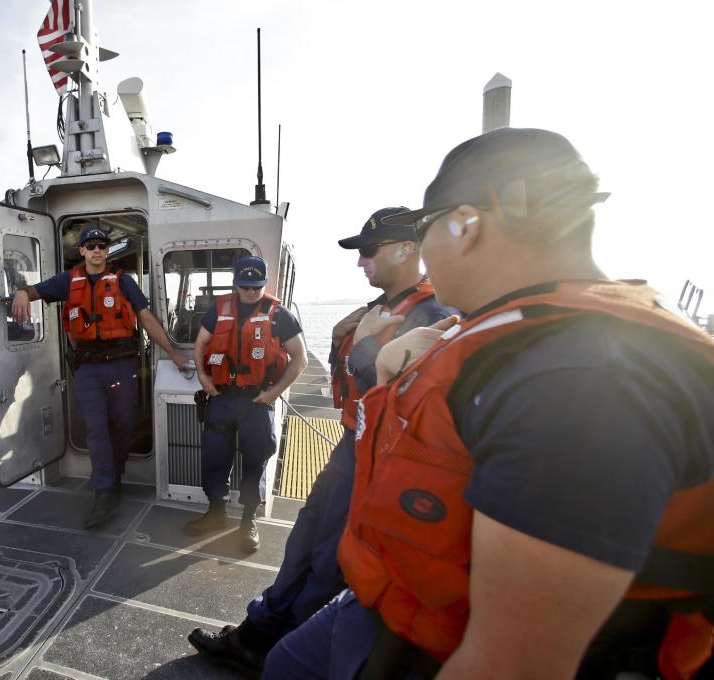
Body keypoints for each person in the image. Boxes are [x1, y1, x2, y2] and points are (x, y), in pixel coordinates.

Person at [262, 128, 714, 680]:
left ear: (466, 226)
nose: (425, 255)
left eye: (426, 231)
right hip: (387, 603)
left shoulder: (583, 382)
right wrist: (385, 369)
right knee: (286, 664)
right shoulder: (504, 330)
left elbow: (514, 662)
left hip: (436, 647)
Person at [188, 210, 458, 674]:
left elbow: (400, 391)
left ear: (406, 249)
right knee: (306, 537)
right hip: (350, 444)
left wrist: (366, 345)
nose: (361, 263)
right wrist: (349, 340)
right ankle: (260, 628)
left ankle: (281, 644)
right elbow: (345, 367)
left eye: (369, 251)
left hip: (378, 456)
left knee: (329, 557)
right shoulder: (380, 308)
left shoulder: (434, 315)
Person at [11, 227, 186, 528]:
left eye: (102, 246)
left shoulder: (123, 282)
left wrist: (172, 352)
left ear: (107, 251)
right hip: (88, 368)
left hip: (122, 365)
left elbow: (145, 318)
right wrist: (20, 293)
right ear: (81, 251)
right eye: (90, 246)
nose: (96, 251)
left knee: (122, 423)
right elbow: (33, 291)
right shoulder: (67, 281)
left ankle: (113, 472)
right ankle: (104, 490)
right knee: (96, 428)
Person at [184, 255, 307, 553]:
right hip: (223, 396)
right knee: (214, 454)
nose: (251, 292)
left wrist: (274, 392)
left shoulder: (280, 315)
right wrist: (203, 377)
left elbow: (299, 358)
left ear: (264, 284)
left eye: (256, 286)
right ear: (236, 283)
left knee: (256, 457)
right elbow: (200, 343)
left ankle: (248, 521)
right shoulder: (219, 309)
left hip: (257, 398)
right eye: (245, 286)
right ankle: (216, 513)